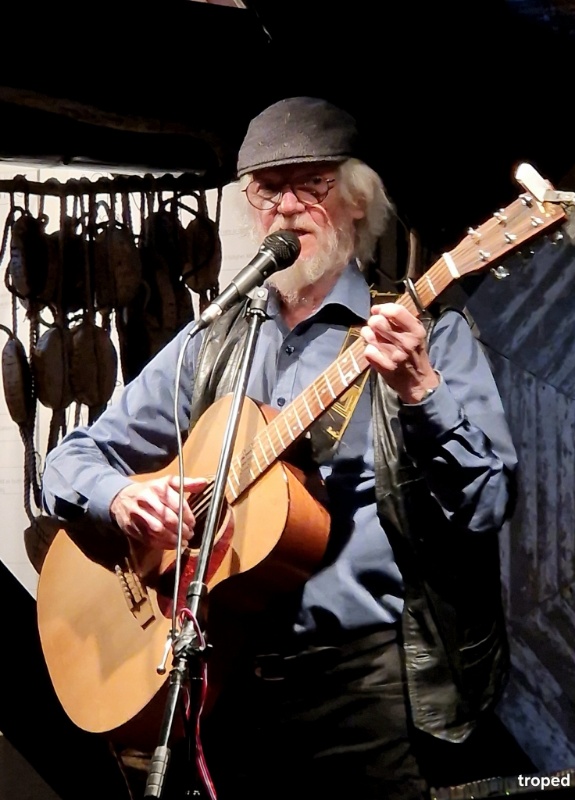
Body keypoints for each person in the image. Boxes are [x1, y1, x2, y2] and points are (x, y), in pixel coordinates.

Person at [42, 97, 517, 800]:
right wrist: (122, 497)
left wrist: (420, 390)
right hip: (223, 686)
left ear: (357, 200)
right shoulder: (217, 339)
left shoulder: (428, 336)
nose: (288, 207)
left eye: (311, 184)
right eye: (268, 189)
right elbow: (69, 458)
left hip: (371, 697)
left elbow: (486, 506)